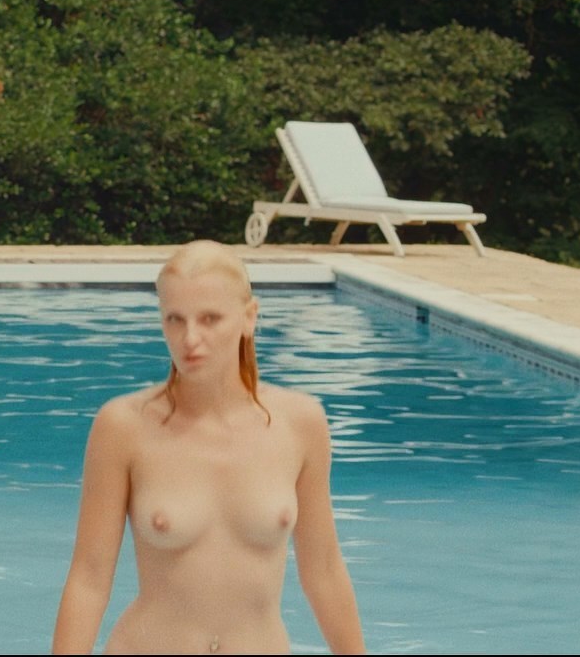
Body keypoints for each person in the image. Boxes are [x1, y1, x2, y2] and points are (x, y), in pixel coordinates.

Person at [52, 241, 364, 655]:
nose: (190, 338)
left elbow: (322, 571)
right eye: (175, 319)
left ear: (249, 317)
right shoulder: (123, 427)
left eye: (210, 319)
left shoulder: (300, 423)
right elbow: (90, 578)